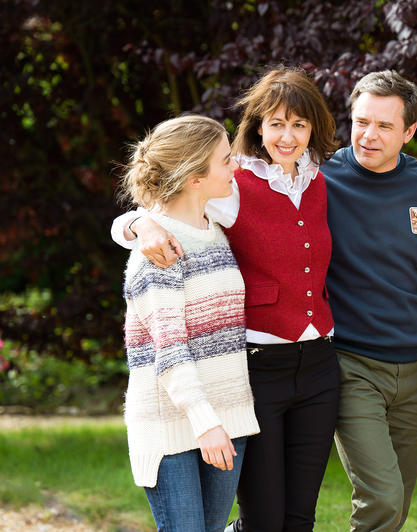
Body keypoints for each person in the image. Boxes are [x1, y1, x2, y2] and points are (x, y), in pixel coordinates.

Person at [112, 66, 341, 532]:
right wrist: (138, 226)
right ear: (257, 126)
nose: (288, 135)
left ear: (313, 128)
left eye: (299, 124)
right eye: (276, 123)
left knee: (298, 518)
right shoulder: (234, 185)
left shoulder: (320, 180)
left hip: (314, 360)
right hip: (258, 361)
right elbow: (164, 201)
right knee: (261, 518)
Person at [324, 71, 417, 531]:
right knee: (381, 498)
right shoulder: (319, 178)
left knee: (398, 503)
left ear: (409, 132)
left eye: (383, 126)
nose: (368, 136)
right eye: (361, 122)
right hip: (351, 362)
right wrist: (140, 225)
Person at [119, 114, 259, 532]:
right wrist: (206, 423)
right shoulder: (159, 249)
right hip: (172, 426)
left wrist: (221, 422)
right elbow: (170, 352)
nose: (236, 166)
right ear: (195, 178)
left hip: (228, 418)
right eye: (226, 160)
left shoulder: (214, 230)